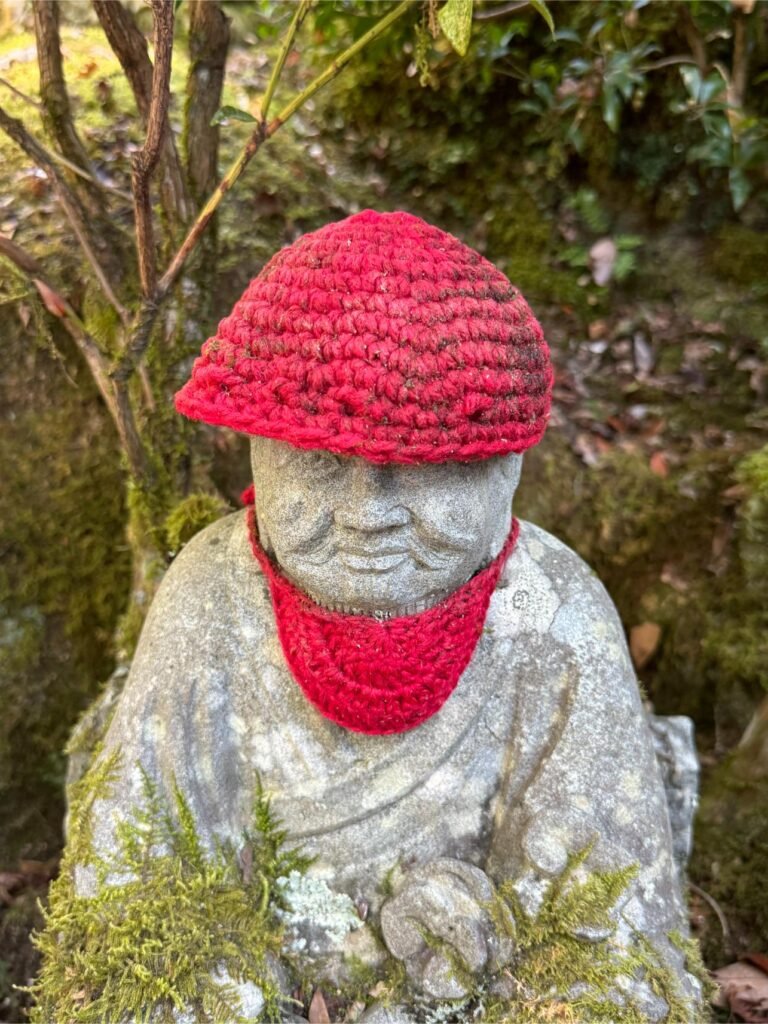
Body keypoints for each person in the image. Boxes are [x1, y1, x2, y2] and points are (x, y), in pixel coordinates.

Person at [62, 210, 700, 1021]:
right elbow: (130, 888)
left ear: (507, 466)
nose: (371, 513)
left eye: (423, 466)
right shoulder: (212, 597)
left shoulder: (549, 612)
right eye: (324, 463)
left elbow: (610, 930)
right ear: (258, 449)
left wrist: (484, 969)